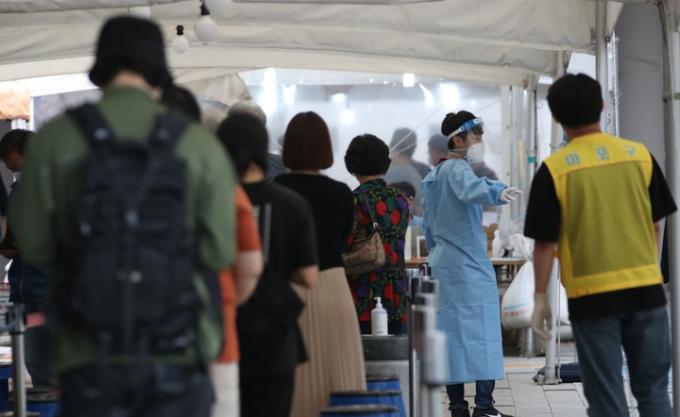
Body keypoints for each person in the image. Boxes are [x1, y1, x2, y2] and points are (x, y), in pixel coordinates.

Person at [9, 16, 237, 417]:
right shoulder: (198, 145)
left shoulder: (55, 139)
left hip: (86, 349)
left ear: (100, 66)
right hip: (179, 345)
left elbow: (33, 244)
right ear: (159, 70)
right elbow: (219, 251)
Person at [527, 73, 676, 417]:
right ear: (602, 106)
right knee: (654, 393)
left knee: (607, 399)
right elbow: (655, 225)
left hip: (592, 298)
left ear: (556, 117)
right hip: (646, 291)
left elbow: (545, 245)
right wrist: (648, 271)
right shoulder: (639, 156)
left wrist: (540, 298)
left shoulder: (554, 170)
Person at [161, 84, 263, 417]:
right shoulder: (222, 184)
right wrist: (226, 299)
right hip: (213, 330)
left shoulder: (126, 180)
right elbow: (250, 267)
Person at [217, 112, 319, 417]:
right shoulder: (291, 203)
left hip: (223, 327)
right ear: (263, 150)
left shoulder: (214, 200)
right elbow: (309, 277)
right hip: (275, 332)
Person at [422, 111, 519, 417]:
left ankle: (457, 406)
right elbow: (472, 189)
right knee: (483, 333)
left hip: (443, 265)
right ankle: (485, 406)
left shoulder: (433, 175)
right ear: (459, 139)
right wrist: (498, 190)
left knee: (449, 337)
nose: (480, 141)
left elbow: (428, 225)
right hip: (468, 266)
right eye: (476, 136)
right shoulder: (457, 169)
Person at [275, 111, 366, 417]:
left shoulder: (276, 189)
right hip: (334, 287)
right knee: (338, 375)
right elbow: (343, 239)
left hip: (288, 288)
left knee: (292, 381)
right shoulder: (341, 193)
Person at [0, 129, 52, 388]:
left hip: (47, 291)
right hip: (24, 291)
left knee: (45, 363)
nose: (15, 173)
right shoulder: (18, 190)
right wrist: (9, 244)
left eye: (18, 167)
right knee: (34, 361)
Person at [344, 134, 409, 335]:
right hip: (396, 294)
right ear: (385, 164)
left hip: (364, 294)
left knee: (366, 351)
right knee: (394, 351)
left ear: (350, 164)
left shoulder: (353, 200)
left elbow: (346, 243)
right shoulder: (400, 199)